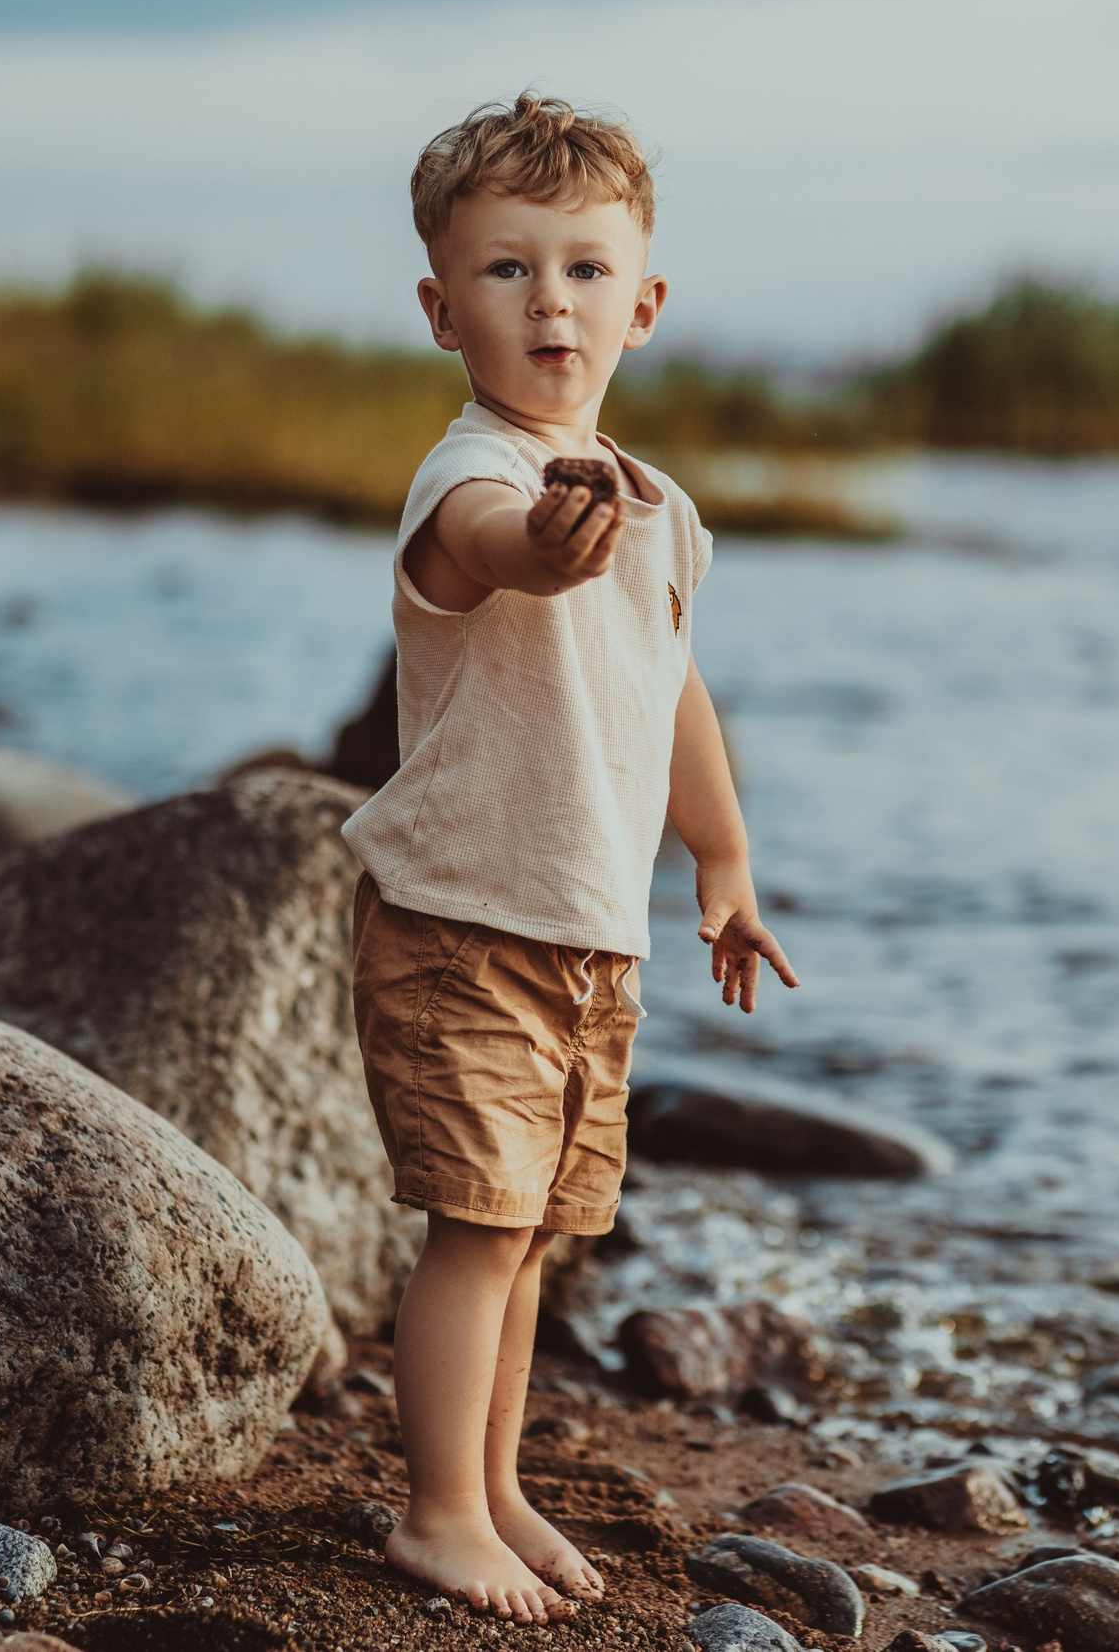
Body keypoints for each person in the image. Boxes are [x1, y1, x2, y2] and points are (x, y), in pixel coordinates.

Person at [340, 92, 798, 1624]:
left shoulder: (660, 512)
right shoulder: (468, 472)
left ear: (645, 305)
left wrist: (721, 863)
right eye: (509, 271)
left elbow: (674, 688)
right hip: (464, 920)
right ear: (440, 308)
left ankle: (496, 1479)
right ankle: (435, 1511)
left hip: (590, 929)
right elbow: (495, 545)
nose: (552, 301)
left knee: (535, 1233)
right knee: (476, 1225)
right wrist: (552, 541)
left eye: (588, 270)